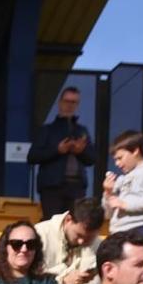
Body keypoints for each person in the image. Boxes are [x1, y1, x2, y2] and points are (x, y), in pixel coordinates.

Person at [30, 85, 95, 222]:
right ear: (60, 103)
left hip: (77, 187)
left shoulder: (82, 130)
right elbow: (32, 156)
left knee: (75, 224)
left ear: (77, 104)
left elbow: (91, 159)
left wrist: (80, 151)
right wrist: (57, 150)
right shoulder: (47, 130)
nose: (70, 105)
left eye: (74, 102)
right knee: (53, 226)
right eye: (67, 101)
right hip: (52, 188)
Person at [101, 129, 143, 246]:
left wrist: (125, 205)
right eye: (115, 160)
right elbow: (107, 213)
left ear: (135, 150)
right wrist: (108, 192)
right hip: (117, 231)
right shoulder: (122, 179)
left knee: (133, 263)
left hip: (139, 229)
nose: (117, 164)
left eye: (120, 158)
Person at [32, 197, 104, 284]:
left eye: (88, 238)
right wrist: (62, 281)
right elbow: (29, 283)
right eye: (78, 235)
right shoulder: (39, 235)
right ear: (68, 220)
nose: (81, 241)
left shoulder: (98, 243)